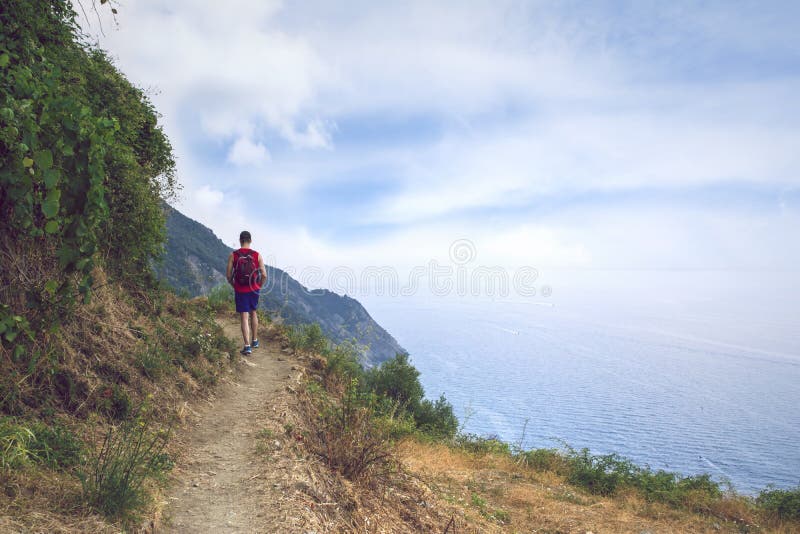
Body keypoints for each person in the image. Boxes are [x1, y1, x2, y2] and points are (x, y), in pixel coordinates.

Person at [226, 231, 268, 356]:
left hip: (240, 289)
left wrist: (235, 285)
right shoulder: (257, 255)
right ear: (250, 240)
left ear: (240, 240)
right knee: (253, 312)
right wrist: (258, 286)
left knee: (244, 316)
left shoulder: (233, 255)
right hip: (253, 288)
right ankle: (255, 340)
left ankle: (247, 346)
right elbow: (264, 275)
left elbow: (228, 275)